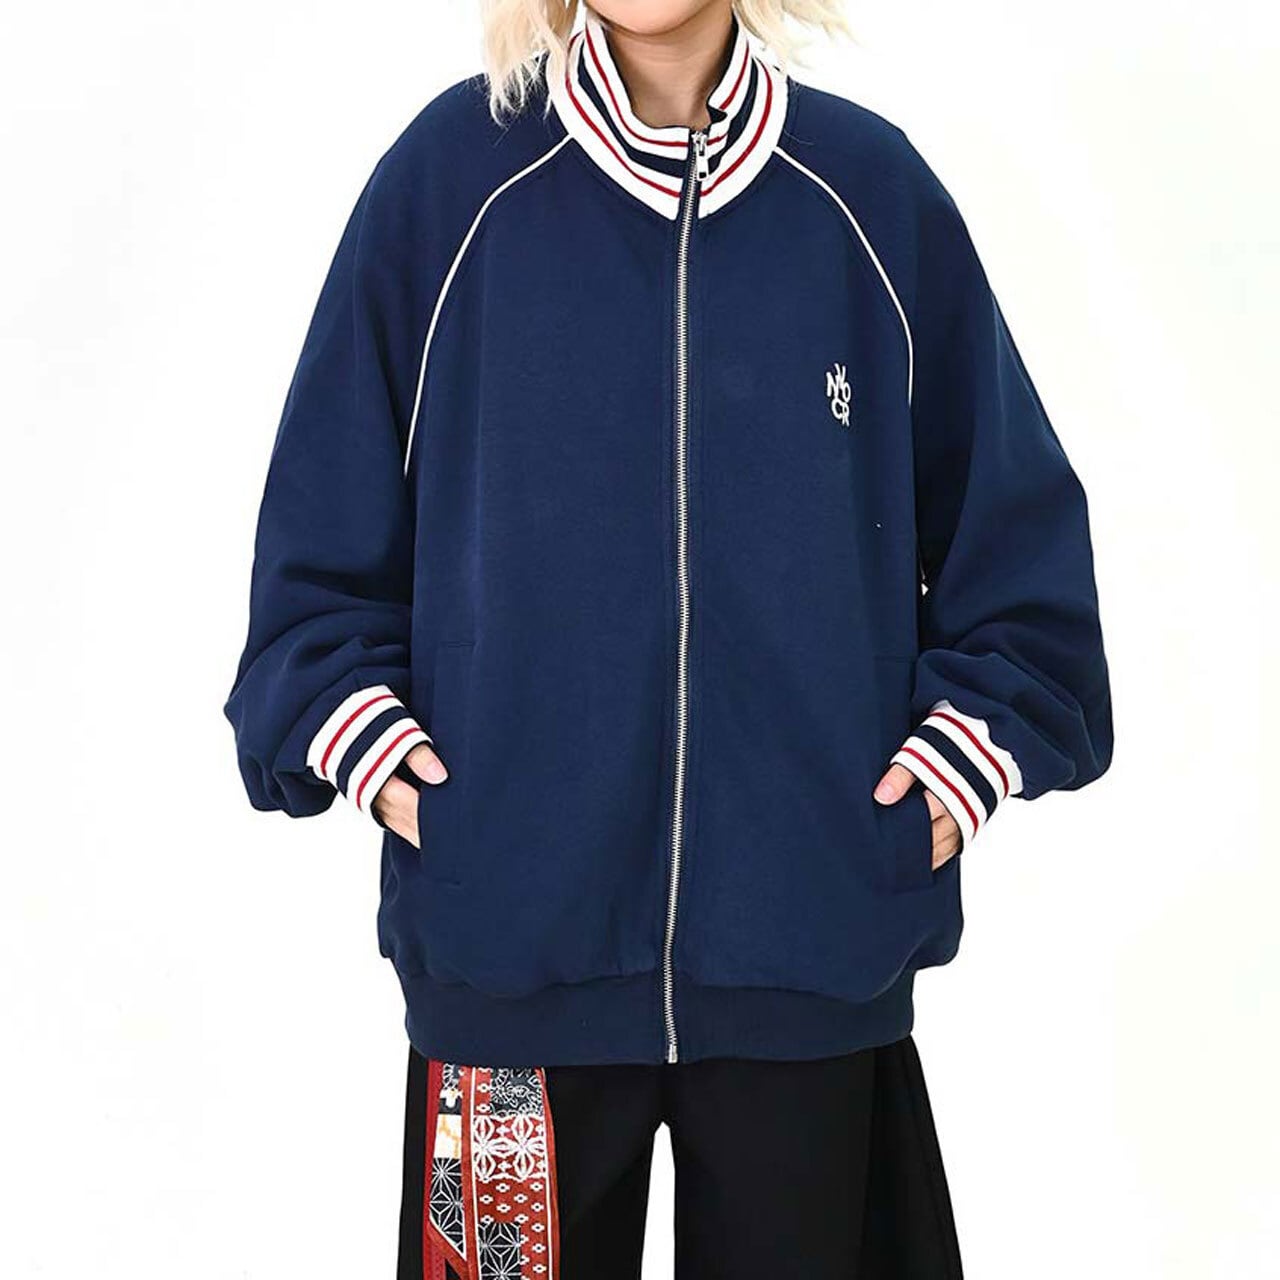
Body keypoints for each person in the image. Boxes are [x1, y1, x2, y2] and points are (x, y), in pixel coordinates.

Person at [223, 2, 1114, 1275]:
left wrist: (947, 773)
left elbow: (1020, 569)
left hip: (808, 968)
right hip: (507, 976)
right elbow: (313, 566)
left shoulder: (867, 198)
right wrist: (401, 772)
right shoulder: (448, 186)